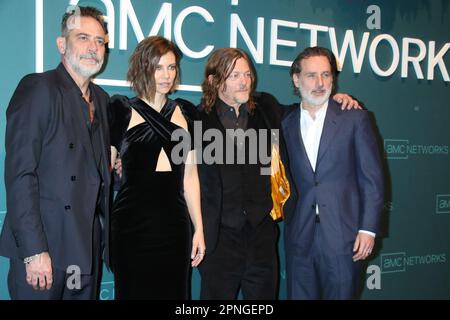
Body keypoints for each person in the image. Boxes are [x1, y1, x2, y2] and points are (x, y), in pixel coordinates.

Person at [195, 47, 360, 299]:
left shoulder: (265, 108)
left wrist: (332, 101)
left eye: (248, 74)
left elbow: (303, 110)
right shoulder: (196, 120)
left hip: (261, 237)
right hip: (219, 239)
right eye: (235, 75)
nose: (244, 81)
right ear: (214, 80)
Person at [0, 6, 111, 299]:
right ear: (62, 44)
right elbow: (20, 174)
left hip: (84, 250)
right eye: (83, 37)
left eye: (99, 41)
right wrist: (34, 251)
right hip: (45, 248)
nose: (92, 48)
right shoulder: (38, 88)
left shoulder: (101, 99)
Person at [281, 46, 384, 299]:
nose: (320, 83)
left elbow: (372, 179)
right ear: (296, 79)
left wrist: (368, 229)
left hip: (343, 237)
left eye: (326, 75)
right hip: (299, 236)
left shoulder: (355, 118)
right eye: (311, 75)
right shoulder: (285, 122)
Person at [108, 36, 205, 300]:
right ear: (142, 67)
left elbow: (190, 177)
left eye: (171, 67)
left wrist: (199, 229)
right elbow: (103, 173)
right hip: (131, 226)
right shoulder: (121, 110)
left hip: (175, 227)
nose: (166, 75)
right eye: (158, 67)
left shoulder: (186, 113)